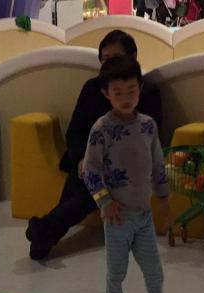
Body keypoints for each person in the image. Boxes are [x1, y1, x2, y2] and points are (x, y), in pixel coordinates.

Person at [26, 30, 162, 260]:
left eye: (116, 57)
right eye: (105, 59)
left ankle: (43, 231)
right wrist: (82, 158)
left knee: (89, 190)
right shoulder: (92, 88)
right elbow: (75, 131)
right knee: (80, 185)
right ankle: (45, 234)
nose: (109, 64)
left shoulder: (146, 91)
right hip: (88, 158)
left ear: (133, 57)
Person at [82, 56, 181, 293]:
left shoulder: (148, 125)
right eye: (118, 93)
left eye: (131, 91)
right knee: (117, 270)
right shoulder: (101, 129)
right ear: (106, 93)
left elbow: (158, 164)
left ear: (140, 88)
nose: (126, 98)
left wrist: (164, 198)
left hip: (144, 215)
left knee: (154, 269)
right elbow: (90, 170)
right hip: (117, 217)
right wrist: (105, 201)